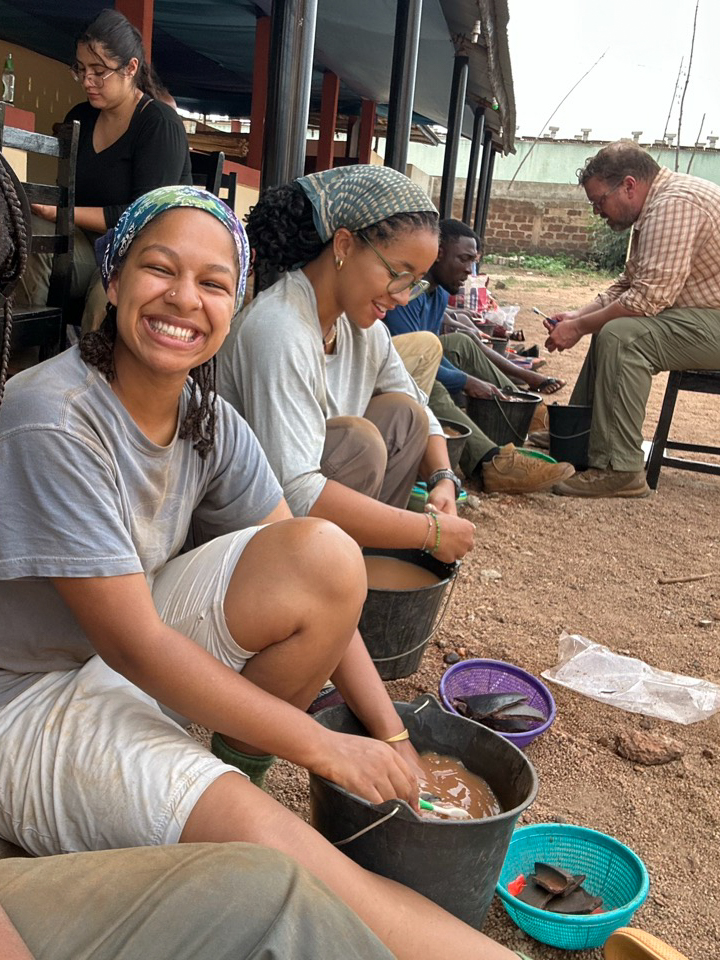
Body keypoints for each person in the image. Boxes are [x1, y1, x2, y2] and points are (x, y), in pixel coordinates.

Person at [0, 180, 522, 960]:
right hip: (26, 702)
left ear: (233, 300)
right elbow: (138, 645)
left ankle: (212, 771)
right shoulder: (52, 414)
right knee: (277, 846)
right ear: (113, 278)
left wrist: (390, 734)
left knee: (325, 555)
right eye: (159, 270)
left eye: (213, 283)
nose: (185, 299)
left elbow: (317, 571)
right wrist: (324, 747)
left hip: (116, 657)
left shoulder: (207, 417)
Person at [217, 166, 475, 563]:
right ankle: (321, 582)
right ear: (343, 246)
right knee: (360, 443)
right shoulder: (280, 327)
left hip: (304, 514)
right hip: (244, 533)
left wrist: (443, 478)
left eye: (416, 282)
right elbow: (296, 489)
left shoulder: (359, 326)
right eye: (399, 275)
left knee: (407, 417)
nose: (404, 297)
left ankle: (355, 566)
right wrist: (428, 531)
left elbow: (420, 406)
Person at [542, 140, 720, 498]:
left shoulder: (674, 206)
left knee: (624, 336)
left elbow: (646, 300)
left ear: (628, 185)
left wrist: (578, 328)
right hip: (707, 318)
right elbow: (629, 284)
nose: (597, 212)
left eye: (599, 202)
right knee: (612, 326)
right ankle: (581, 434)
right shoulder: (657, 206)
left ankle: (619, 468)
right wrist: (579, 315)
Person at [16, 8, 192, 334]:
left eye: (99, 71)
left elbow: (144, 216)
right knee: (32, 237)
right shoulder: (80, 118)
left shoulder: (158, 125)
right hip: (89, 244)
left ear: (131, 68)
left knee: (106, 297)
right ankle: (23, 365)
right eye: (81, 70)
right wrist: (55, 211)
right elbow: (69, 191)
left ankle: (92, 380)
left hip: (143, 250)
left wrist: (65, 212)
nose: (87, 81)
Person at [384, 218, 574, 493]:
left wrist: (467, 379)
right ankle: (491, 463)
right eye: (463, 259)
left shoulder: (437, 294)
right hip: (388, 366)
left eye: (472, 261)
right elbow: (408, 361)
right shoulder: (408, 293)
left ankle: (523, 408)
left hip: (410, 357)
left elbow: (433, 349)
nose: (469, 270)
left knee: (461, 342)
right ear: (437, 255)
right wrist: (465, 382)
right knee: (432, 387)